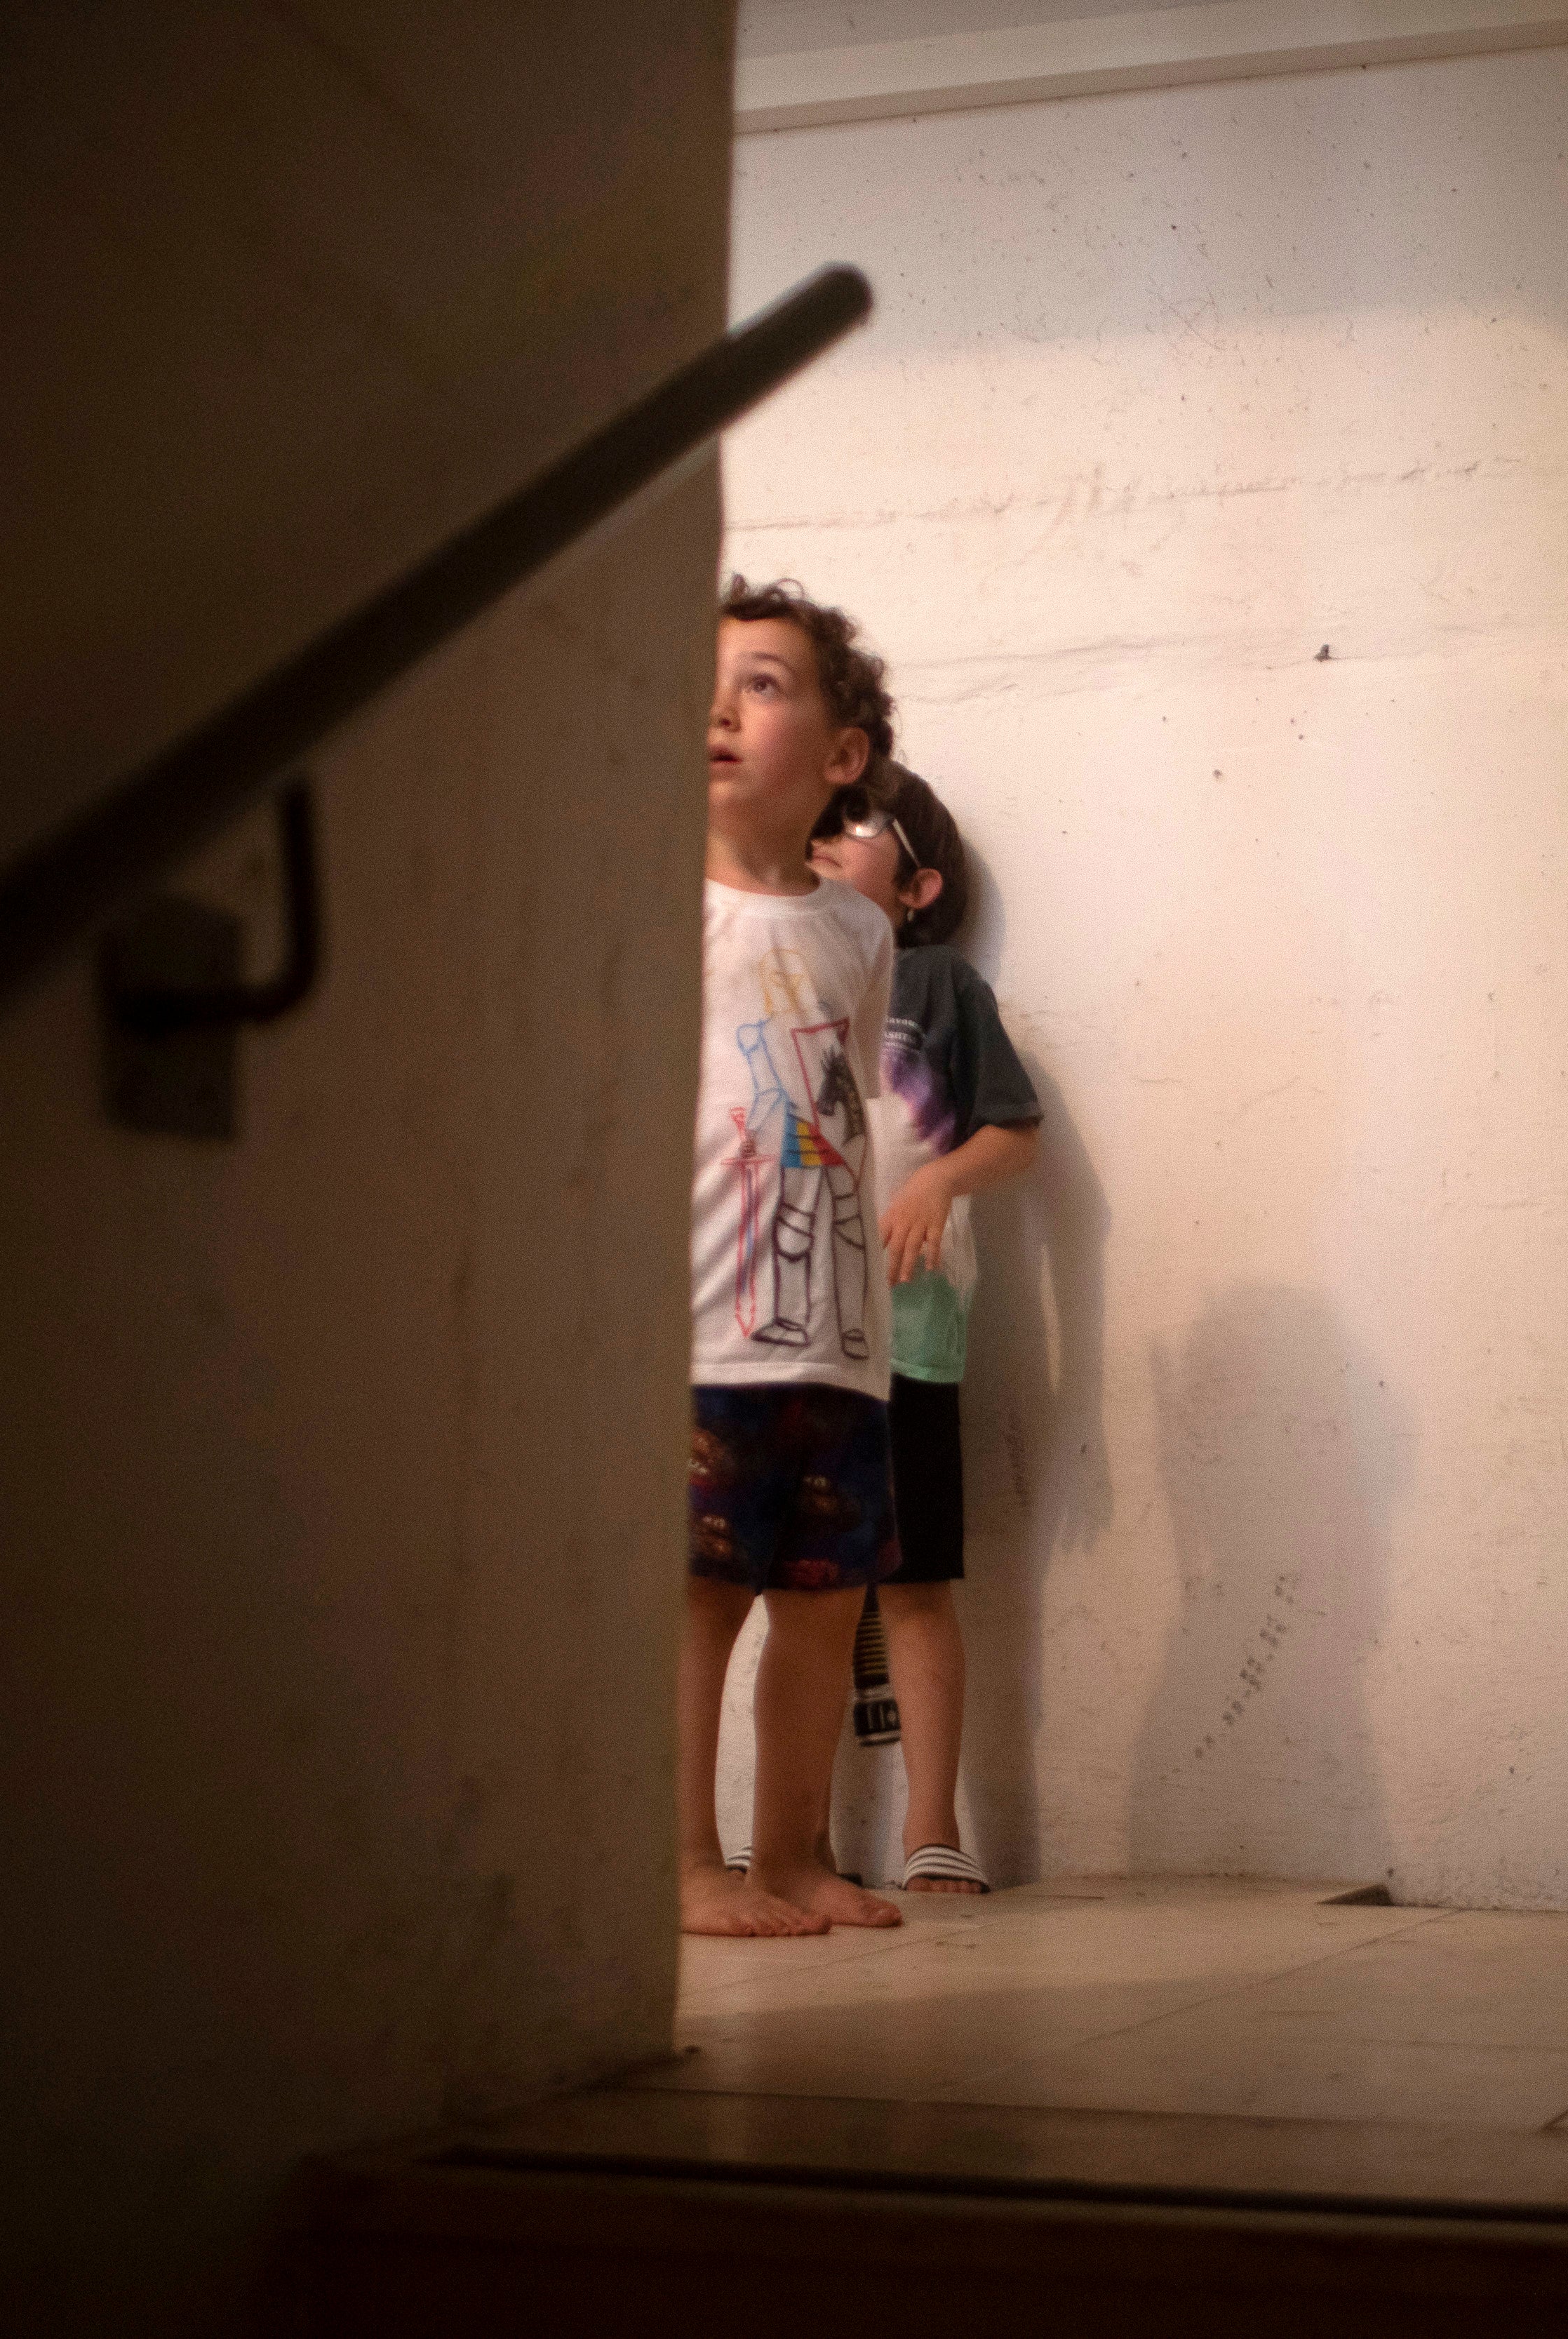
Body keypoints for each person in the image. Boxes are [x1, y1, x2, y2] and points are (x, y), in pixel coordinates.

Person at [679, 579, 906, 1938]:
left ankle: (793, 1854)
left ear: (840, 756)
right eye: (703, 678)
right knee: (696, 1600)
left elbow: (840, 1104)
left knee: (823, 1606)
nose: (716, 703)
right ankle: (684, 1863)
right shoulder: (657, 904)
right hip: (700, 1327)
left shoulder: (860, 930)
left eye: (762, 680)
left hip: (837, 1332)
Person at [811, 762, 1042, 1894]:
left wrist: (938, 1181)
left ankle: (931, 1827)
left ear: (919, 883)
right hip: (783, 1339)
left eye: (850, 828)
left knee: (913, 1581)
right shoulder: (773, 975)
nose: (822, 840)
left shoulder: (942, 983)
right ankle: (788, 1832)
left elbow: (1014, 1132)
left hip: (908, 1334)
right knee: (789, 1585)